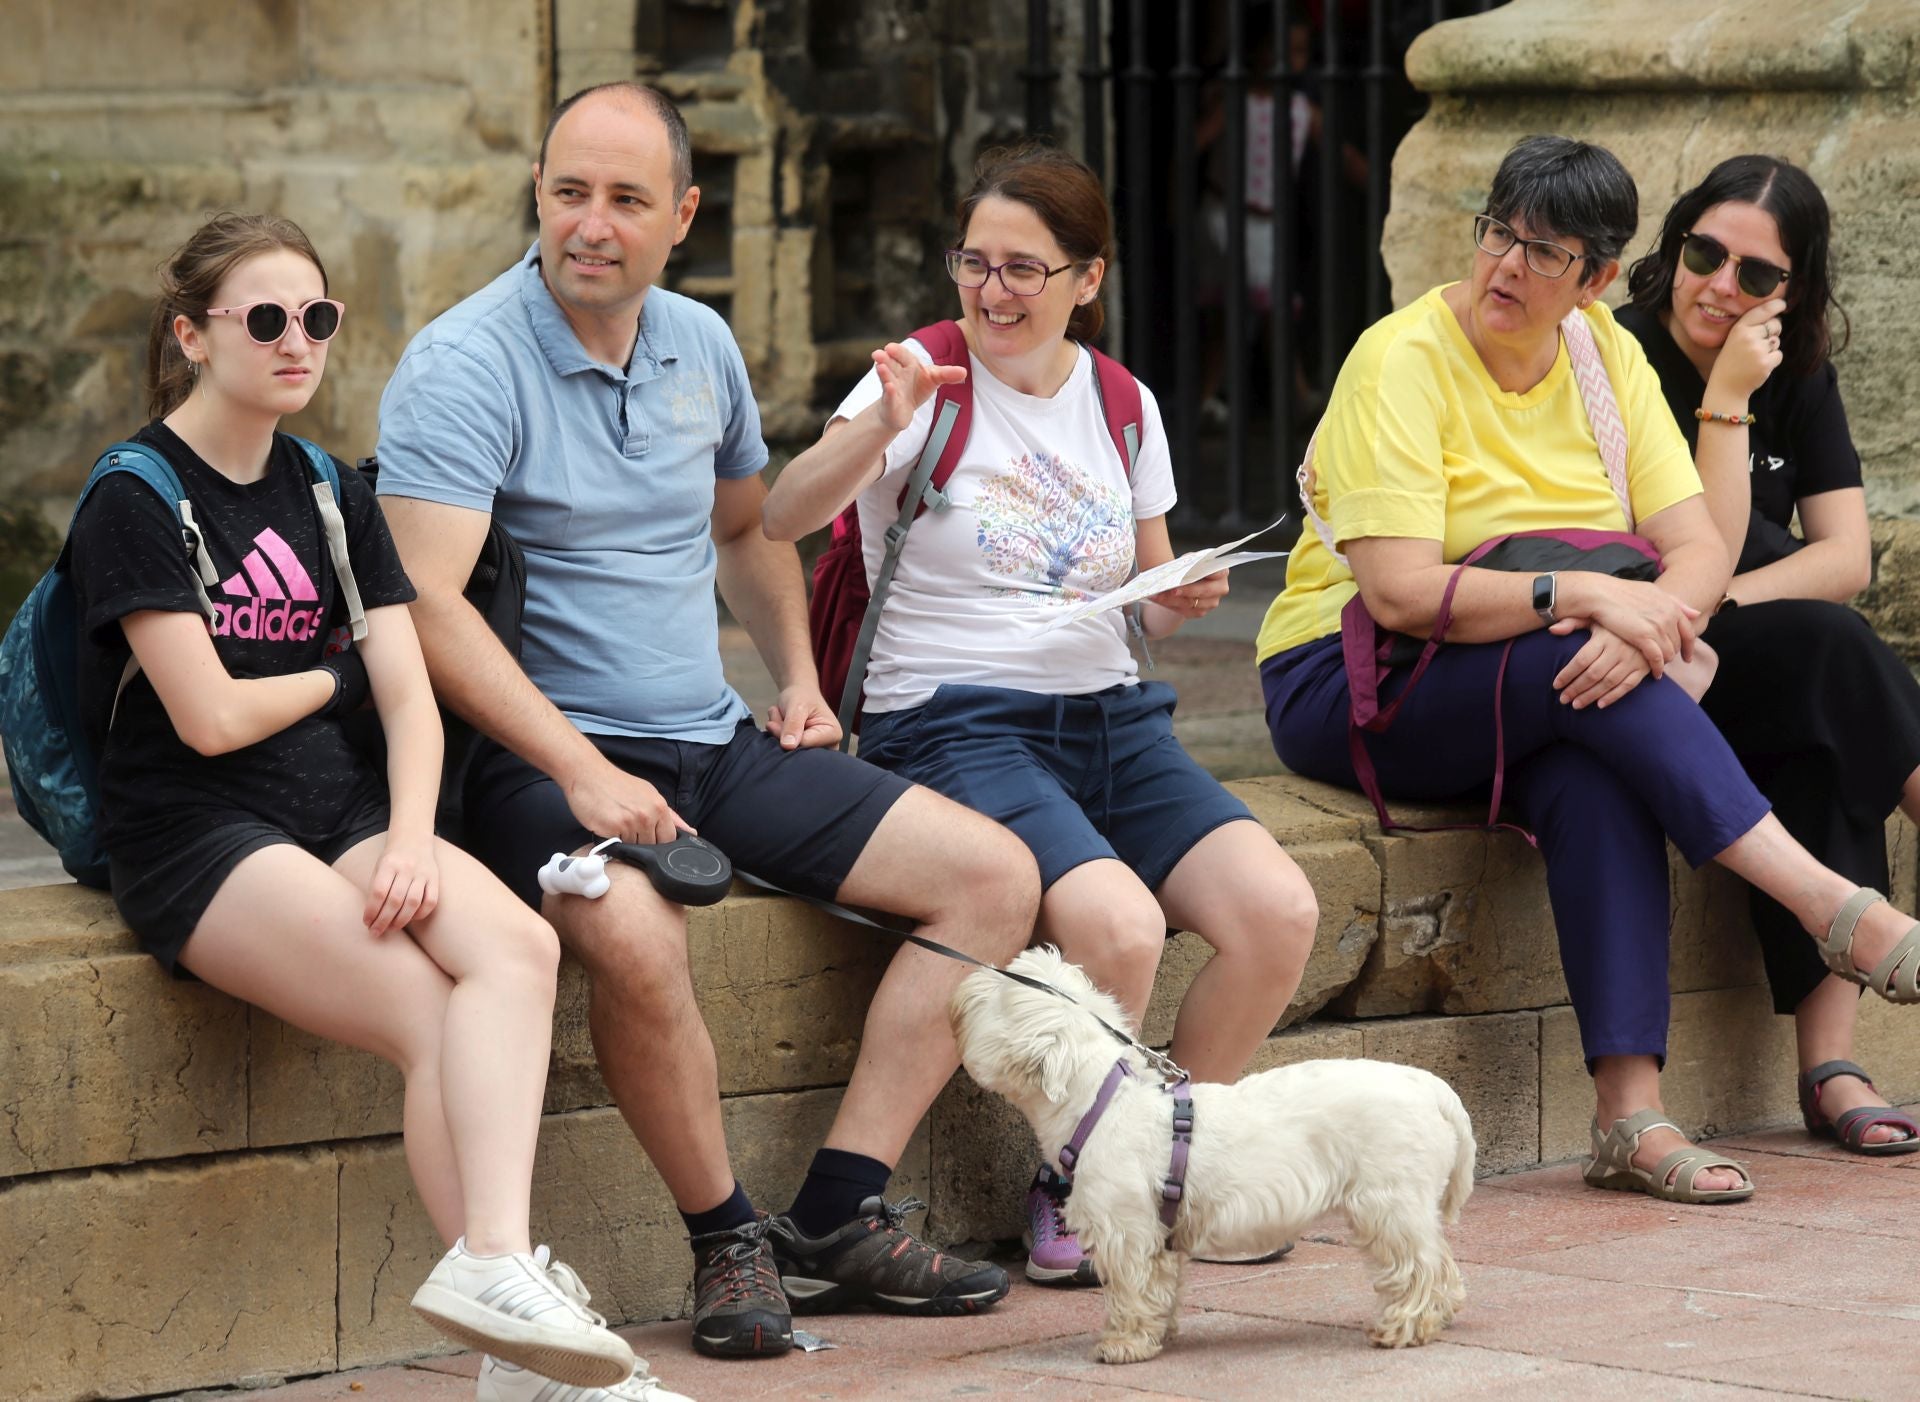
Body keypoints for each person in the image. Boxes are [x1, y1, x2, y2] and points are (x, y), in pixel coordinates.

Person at [372, 82, 1040, 1384]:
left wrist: (796, 677)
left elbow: (747, 527)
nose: (591, 225)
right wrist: (582, 769)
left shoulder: (700, 345)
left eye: (626, 199)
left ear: (681, 213)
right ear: (538, 191)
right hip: (535, 758)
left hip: (709, 737)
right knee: (630, 929)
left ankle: (840, 1207)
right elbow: (426, 611)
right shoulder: (465, 362)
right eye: (569, 192)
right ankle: (728, 1238)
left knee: (995, 878)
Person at [1256, 135, 1920, 1206]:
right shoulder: (1400, 357)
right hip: (1353, 676)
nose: (1507, 268)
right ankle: (1837, 907)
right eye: (1497, 235)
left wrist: (1641, 616)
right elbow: (1395, 593)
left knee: (1592, 754)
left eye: (1545, 252)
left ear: (1598, 277)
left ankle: (1630, 1115)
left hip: (1528, 670)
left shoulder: (1605, 358)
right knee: (1589, 668)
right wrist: (1586, 597)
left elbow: (1698, 542)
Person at [68, 213, 659, 1398]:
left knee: (519, 945)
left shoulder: (329, 488)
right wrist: (338, 675)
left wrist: (408, 832)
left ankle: (502, 1291)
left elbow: (416, 702)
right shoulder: (134, 496)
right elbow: (212, 718)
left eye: (318, 319)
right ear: (192, 334)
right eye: (267, 320)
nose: (300, 342)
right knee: (426, 1009)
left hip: (340, 815)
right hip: (198, 833)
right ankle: (519, 1327)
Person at [763, 142, 1318, 1286]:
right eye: (976, 262)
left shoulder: (1123, 402)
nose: (994, 291)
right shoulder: (917, 373)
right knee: (1120, 926)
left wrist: (1182, 596)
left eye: (1027, 268)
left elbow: (1152, 599)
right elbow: (781, 511)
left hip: (1111, 714)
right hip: (954, 718)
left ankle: (1164, 1171)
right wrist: (880, 425)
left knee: (1277, 912)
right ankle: (1077, 1189)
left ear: (1087, 278)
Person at [1619, 154, 1919, 1153]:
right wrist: (1727, 398)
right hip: (1656, 646)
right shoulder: (1615, 360)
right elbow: (1690, 538)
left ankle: (1833, 1066)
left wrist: (1734, 597)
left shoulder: (1799, 370)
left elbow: (1846, 556)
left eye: (1758, 273)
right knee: (1828, 655)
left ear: (1794, 289)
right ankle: (1832, 1066)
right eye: (1707, 253)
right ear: (1674, 247)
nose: (1722, 285)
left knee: (1821, 698)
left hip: (1743, 635)